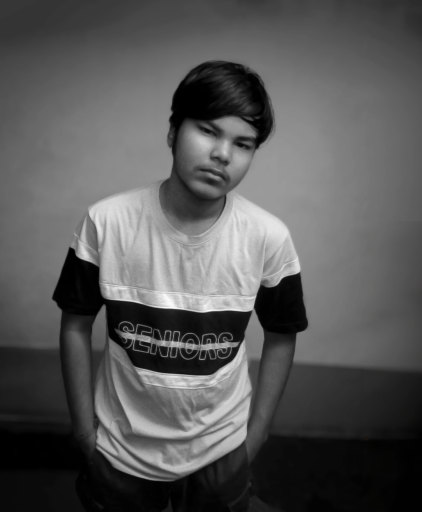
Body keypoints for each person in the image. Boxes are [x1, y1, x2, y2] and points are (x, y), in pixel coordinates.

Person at [52, 60, 308, 512]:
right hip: (119, 449)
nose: (223, 154)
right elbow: (75, 324)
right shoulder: (106, 222)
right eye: (208, 131)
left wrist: (256, 436)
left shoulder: (268, 238)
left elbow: (282, 335)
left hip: (222, 449)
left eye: (243, 144)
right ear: (173, 132)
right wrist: (84, 434)